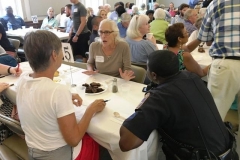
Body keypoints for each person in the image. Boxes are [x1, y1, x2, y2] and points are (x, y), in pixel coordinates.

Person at [119, 50, 238, 159]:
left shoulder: (159, 97)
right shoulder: (193, 78)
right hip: (228, 151)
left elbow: (126, 143)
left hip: (203, 156)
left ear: (153, 75)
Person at [16, 30, 105, 159]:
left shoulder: (23, 80)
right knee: (95, 140)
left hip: (33, 152)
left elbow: (40, 96)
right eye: (61, 50)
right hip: (57, 155)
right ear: (54, 55)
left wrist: (66, 96)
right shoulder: (57, 92)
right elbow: (73, 140)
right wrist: (90, 110)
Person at [197, 0, 240, 141]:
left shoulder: (217, 3)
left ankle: (213, 153)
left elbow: (204, 37)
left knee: (214, 116)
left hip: (226, 62)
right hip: (227, 63)